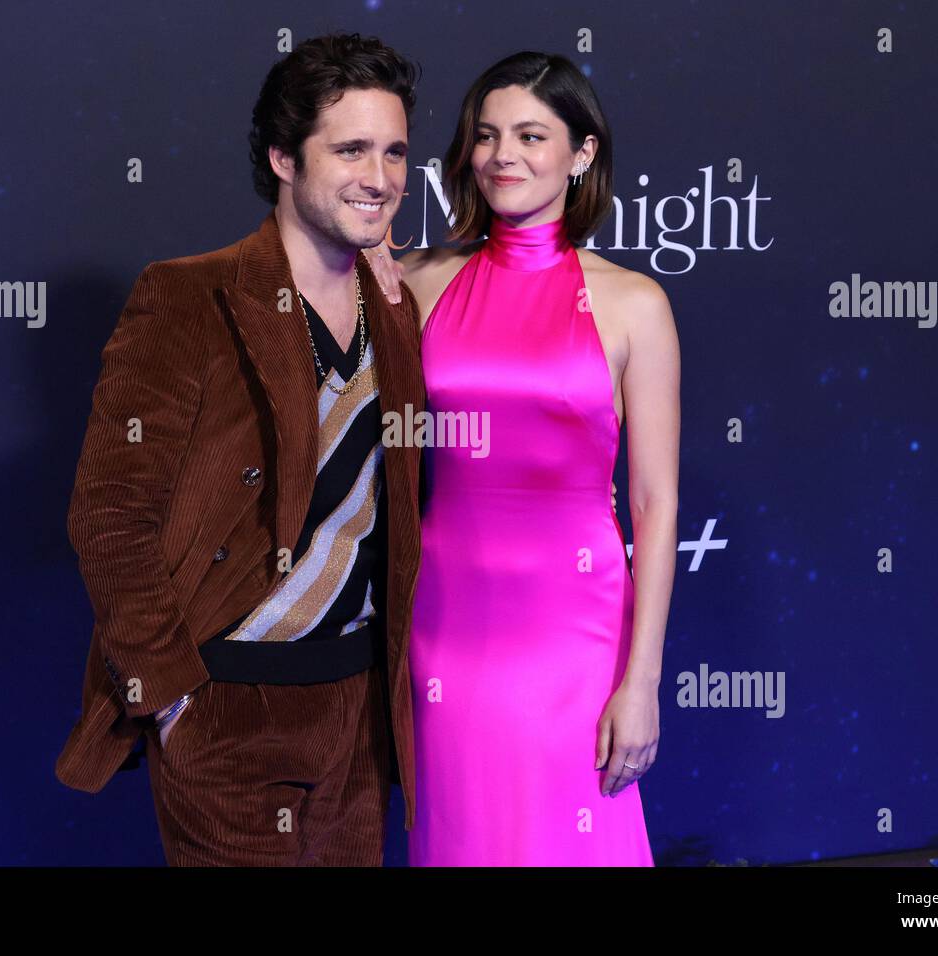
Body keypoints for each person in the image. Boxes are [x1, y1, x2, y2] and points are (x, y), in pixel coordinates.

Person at [55, 32, 427, 866]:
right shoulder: (189, 296)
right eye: (351, 149)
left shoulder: (396, 307)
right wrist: (172, 695)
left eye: (396, 151)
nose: (381, 176)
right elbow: (109, 513)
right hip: (227, 710)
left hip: (359, 715)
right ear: (284, 159)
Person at [369, 51, 679, 865]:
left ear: (582, 154)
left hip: (573, 635)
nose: (504, 155)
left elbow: (654, 504)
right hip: (445, 625)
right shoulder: (418, 282)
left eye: (532, 136)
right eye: (487, 135)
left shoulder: (634, 304)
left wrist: (640, 681)